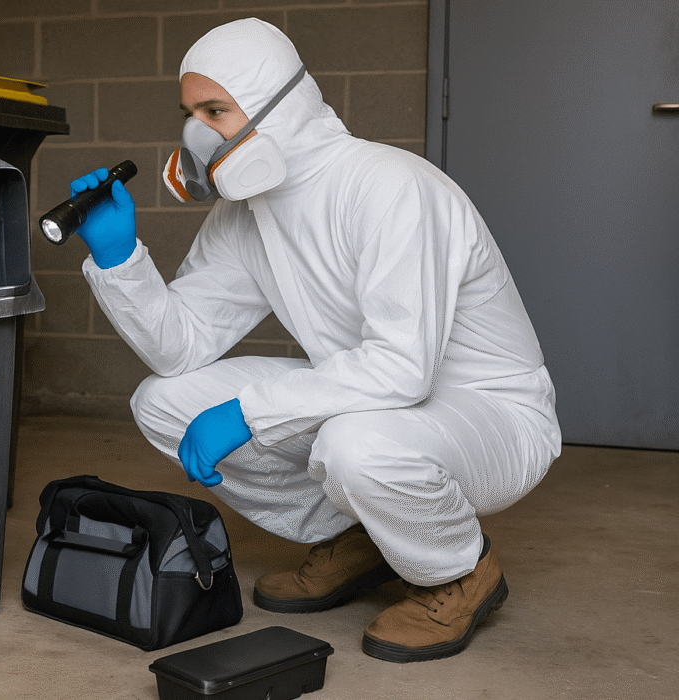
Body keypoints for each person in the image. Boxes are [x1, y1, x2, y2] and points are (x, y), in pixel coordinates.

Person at [66, 18, 561, 663]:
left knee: (354, 443)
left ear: (282, 107)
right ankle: (363, 537)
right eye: (190, 113)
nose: (196, 135)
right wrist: (120, 258)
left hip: (489, 413)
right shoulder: (246, 212)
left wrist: (248, 412)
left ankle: (459, 572)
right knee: (164, 400)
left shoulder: (390, 188)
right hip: (373, 397)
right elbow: (179, 348)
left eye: (215, 111)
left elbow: (403, 369)